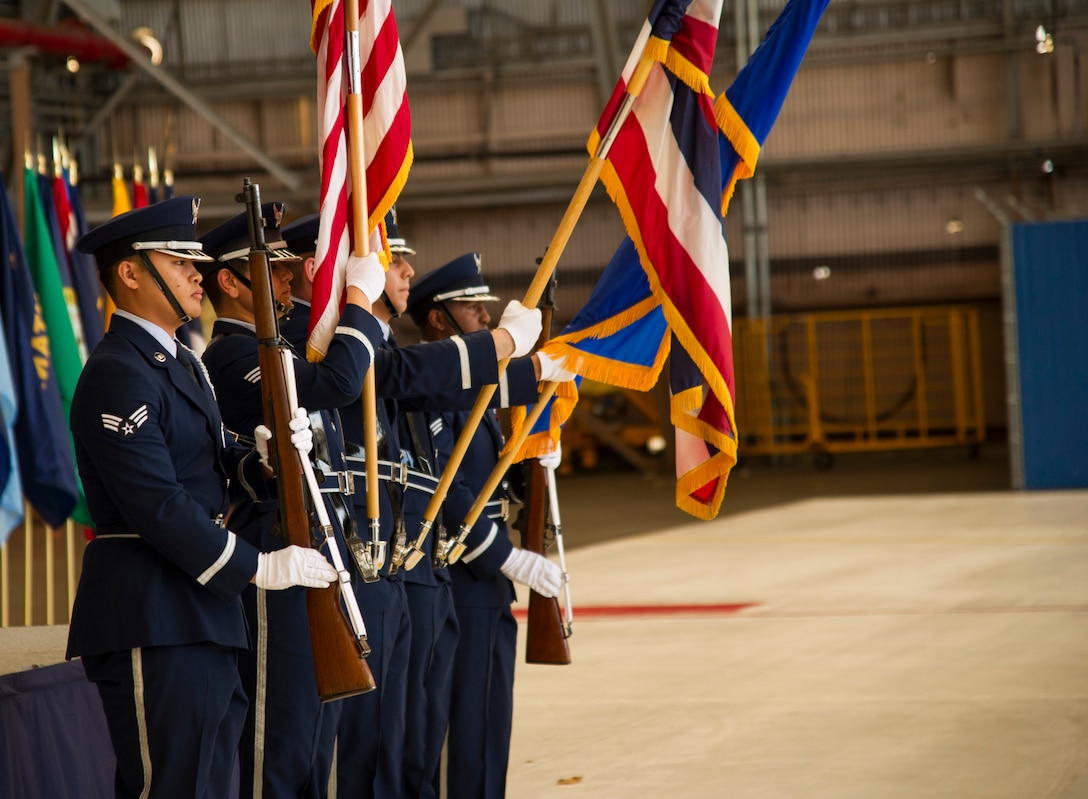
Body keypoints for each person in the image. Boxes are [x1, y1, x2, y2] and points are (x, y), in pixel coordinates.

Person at [67, 196, 337, 799]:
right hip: (153, 610)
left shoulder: (180, 363)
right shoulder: (119, 370)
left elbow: (208, 467)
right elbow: (157, 503)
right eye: (179, 260)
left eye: (196, 261)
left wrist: (264, 461)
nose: (197, 273)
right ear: (131, 274)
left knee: (213, 783)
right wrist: (256, 565)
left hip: (202, 610)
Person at [279, 210, 548, 799]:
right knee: (365, 755)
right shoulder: (326, 345)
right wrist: (505, 347)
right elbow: (408, 377)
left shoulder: (367, 345)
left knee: (409, 746)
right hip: (362, 567)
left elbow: (421, 384)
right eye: (388, 259)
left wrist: (530, 373)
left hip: (406, 570)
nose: (401, 271)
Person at [198, 201, 387, 799]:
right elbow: (334, 383)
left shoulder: (272, 348)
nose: (288, 280)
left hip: (313, 545)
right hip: (275, 546)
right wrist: (358, 306)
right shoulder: (229, 356)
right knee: (278, 744)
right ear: (229, 283)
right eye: (272, 271)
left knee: (313, 739)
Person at [404, 253, 573, 799]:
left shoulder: (472, 392)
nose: (485, 319)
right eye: (472, 311)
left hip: (485, 581)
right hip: (463, 572)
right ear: (438, 320)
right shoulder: (430, 387)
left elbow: (487, 480)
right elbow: (440, 485)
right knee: (465, 729)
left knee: (489, 720)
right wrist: (499, 553)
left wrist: (534, 467)